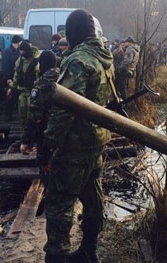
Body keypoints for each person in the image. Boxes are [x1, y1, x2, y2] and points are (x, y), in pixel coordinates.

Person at [42, 9, 113, 263]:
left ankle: (57, 257)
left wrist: (47, 145)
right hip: (96, 144)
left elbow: (65, 110)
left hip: (74, 147)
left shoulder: (78, 60)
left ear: (72, 34)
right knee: (93, 199)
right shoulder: (105, 57)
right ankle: (89, 251)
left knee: (59, 203)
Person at [20, 50, 59, 184]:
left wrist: (26, 141)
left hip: (46, 133)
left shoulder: (41, 84)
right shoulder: (66, 78)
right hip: (64, 133)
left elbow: (34, 116)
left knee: (45, 167)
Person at [8, 40, 40, 132]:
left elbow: (39, 77)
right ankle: (24, 131)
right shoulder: (20, 60)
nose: (21, 53)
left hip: (33, 92)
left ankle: (32, 134)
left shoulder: (36, 61)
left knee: (32, 114)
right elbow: (16, 75)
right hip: (22, 90)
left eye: (22, 51)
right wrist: (11, 87)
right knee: (22, 112)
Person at [2, 35, 23, 121]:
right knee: (10, 97)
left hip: (18, 78)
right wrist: (7, 78)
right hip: (10, 78)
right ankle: (8, 115)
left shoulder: (19, 51)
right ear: (17, 42)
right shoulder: (7, 52)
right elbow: (5, 66)